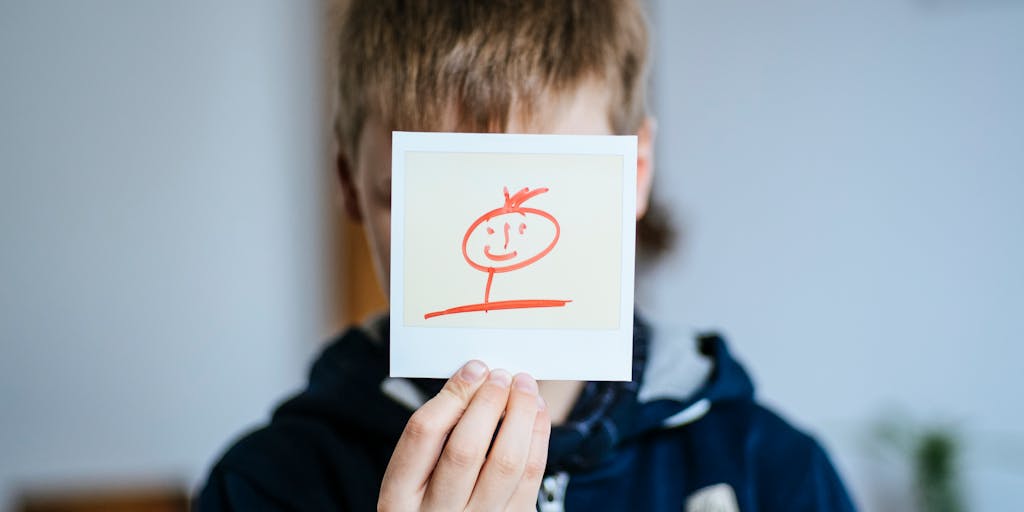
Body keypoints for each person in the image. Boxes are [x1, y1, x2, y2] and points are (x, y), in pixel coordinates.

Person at [196, 1, 856, 510]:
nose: (500, 253)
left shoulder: (775, 473)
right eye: (423, 197)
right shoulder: (265, 486)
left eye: (557, 191)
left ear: (636, 171)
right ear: (350, 187)